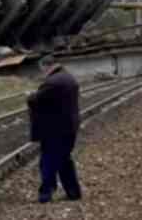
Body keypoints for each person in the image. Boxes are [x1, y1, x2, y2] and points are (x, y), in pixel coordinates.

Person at [27, 54, 82, 204]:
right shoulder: (68, 78)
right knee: (64, 160)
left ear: (47, 66)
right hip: (69, 128)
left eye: (42, 68)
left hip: (55, 130)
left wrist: (30, 96)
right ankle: (73, 192)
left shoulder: (52, 82)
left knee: (48, 161)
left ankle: (45, 193)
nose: (42, 72)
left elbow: (37, 100)